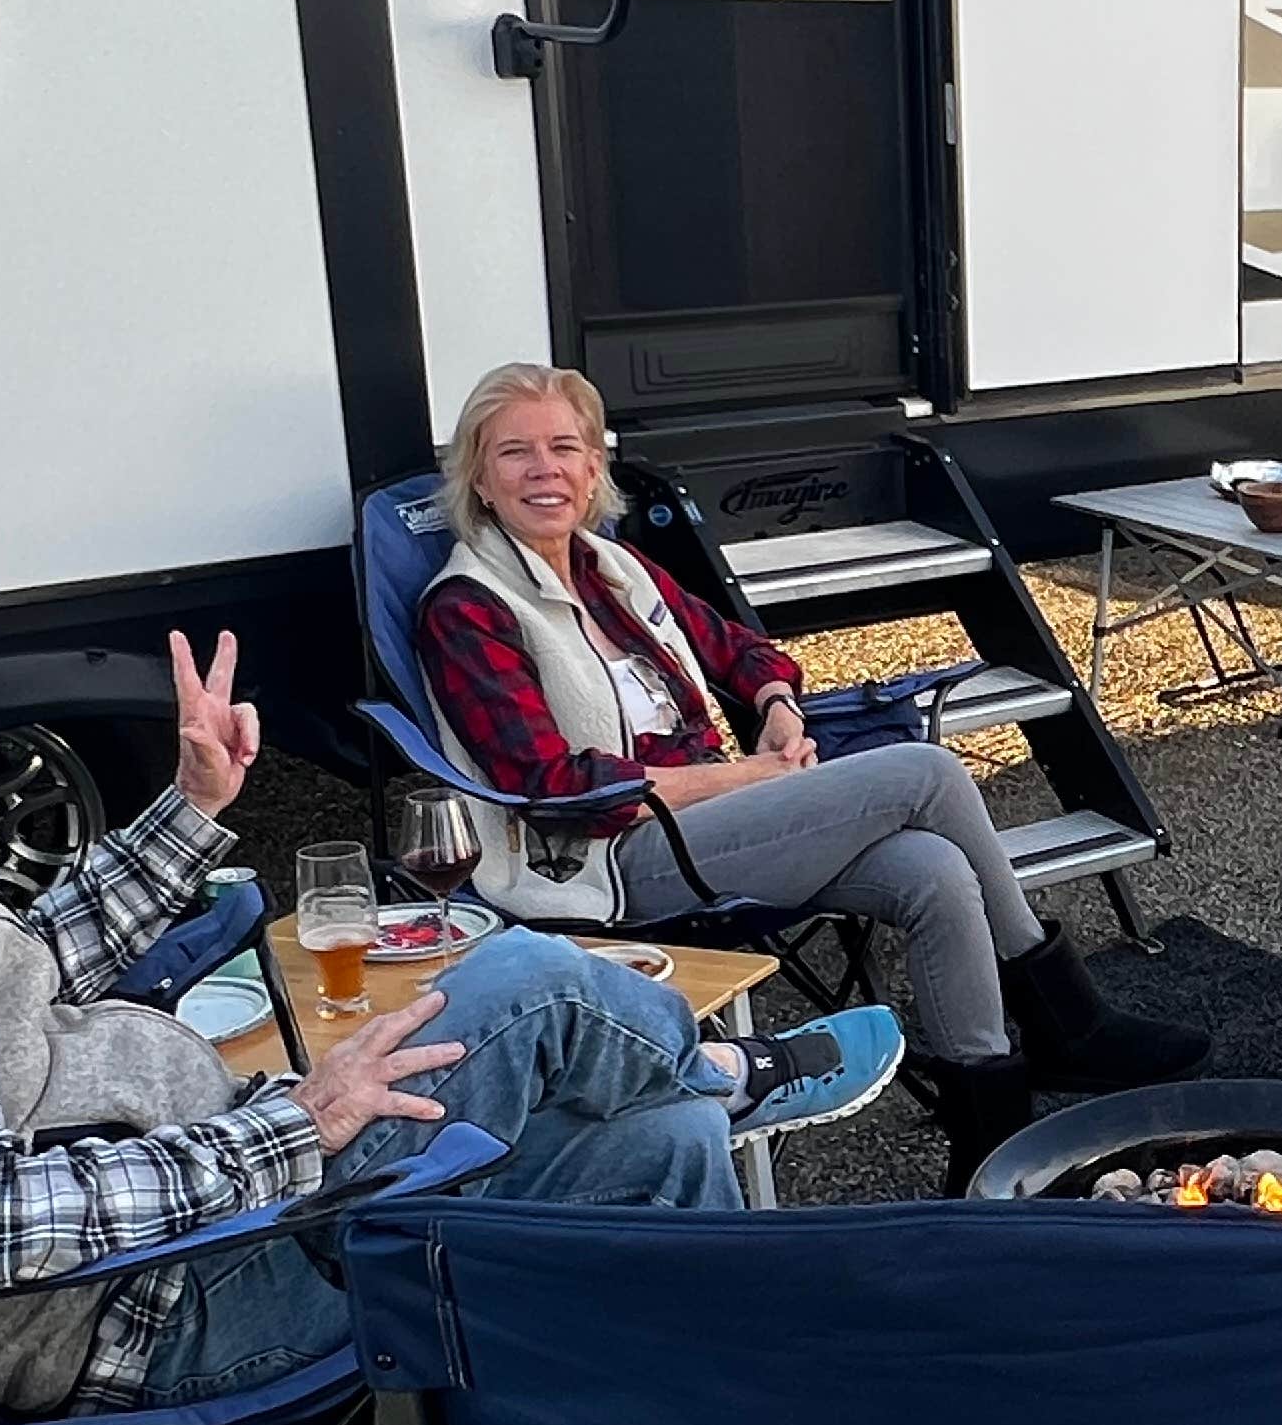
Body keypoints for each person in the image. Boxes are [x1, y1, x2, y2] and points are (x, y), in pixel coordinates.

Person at [0, 539, 889, 1418]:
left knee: (654, 1143)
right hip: (150, 1308)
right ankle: (729, 1067)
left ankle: (690, 1417)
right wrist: (297, 1125)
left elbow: (19, 972)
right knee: (527, 982)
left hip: (204, 1206)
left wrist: (191, 808)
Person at [410, 364, 1204, 1183]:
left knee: (932, 870)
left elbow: (743, 650)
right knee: (925, 772)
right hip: (609, 864)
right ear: (478, 476)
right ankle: (1067, 1021)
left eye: (564, 447)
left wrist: (779, 706)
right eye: (515, 453)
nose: (545, 469)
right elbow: (560, 790)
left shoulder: (612, 568)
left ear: (592, 468)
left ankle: (990, 1146)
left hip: (708, 825)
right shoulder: (467, 606)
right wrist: (753, 779)